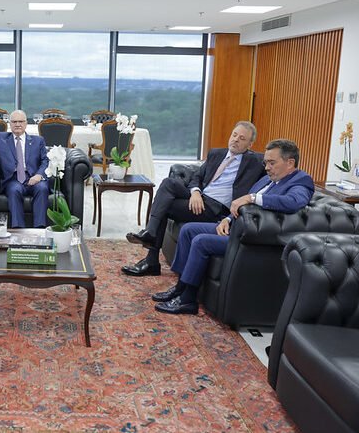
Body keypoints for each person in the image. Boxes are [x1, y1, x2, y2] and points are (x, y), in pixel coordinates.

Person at [153, 139, 314, 315]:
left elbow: (294, 202)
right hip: (234, 227)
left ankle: (187, 300)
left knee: (200, 241)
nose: (267, 167)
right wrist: (227, 220)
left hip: (249, 237)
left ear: (290, 163)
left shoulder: (301, 181)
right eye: (266, 163)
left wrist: (252, 198)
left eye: (272, 163)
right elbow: (240, 205)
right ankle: (180, 288)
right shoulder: (267, 179)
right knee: (188, 230)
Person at [122, 121, 266, 277]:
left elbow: (275, 163)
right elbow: (197, 176)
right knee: (168, 183)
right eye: (234, 135)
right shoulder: (216, 154)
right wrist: (195, 192)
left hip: (215, 208)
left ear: (250, 145)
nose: (236, 139)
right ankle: (150, 234)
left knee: (165, 205)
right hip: (200, 198)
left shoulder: (255, 162)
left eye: (242, 138)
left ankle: (151, 257)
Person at [0, 109, 50, 228]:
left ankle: (39, 229)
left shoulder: (38, 141)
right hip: (13, 179)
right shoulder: (1, 139)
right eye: (14, 122)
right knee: (14, 190)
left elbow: (45, 160)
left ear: (26, 123)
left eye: (21, 121)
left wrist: (39, 175)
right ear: (10, 123)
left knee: (42, 188)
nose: (17, 124)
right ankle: (18, 229)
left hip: (34, 177)